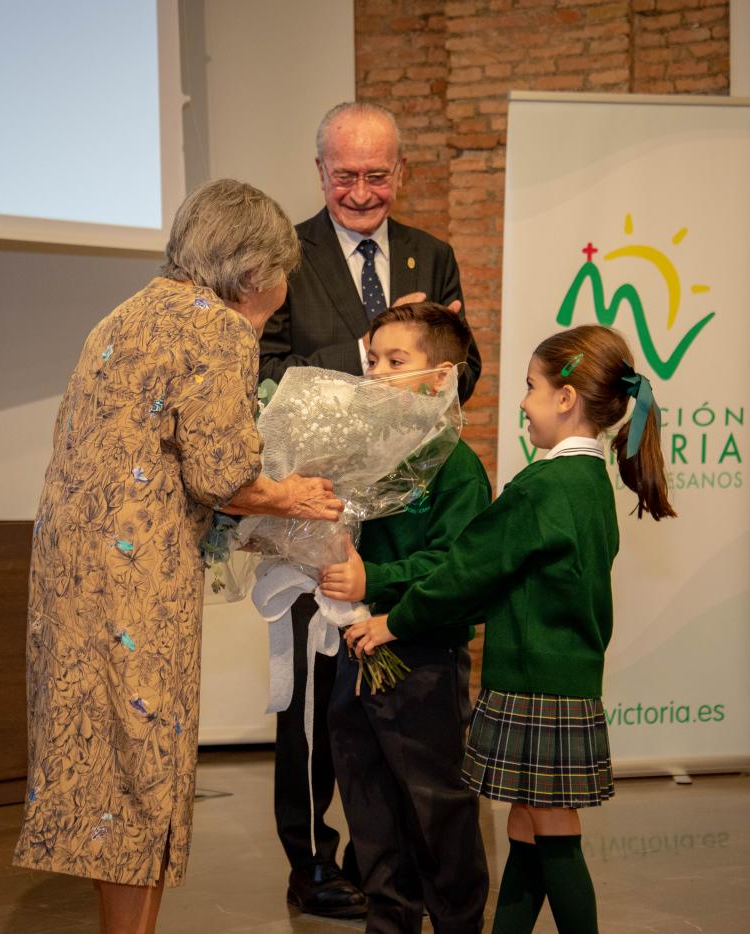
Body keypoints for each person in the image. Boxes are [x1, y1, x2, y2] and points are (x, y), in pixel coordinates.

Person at [12, 179, 345, 934]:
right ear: (254, 272)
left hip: (72, 575)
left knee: (104, 770)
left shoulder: (124, 314)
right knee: (144, 768)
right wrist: (297, 496)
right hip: (138, 582)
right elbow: (223, 476)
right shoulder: (215, 328)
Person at [345, 325, 677, 934]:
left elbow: (468, 572)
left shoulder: (544, 486)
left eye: (530, 387)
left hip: (536, 682)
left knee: (554, 835)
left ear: (566, 398)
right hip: (563, 679)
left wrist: (395, 621)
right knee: (527, 827)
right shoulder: (587, 482)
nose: (522, 401)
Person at [258, 100, 483, 920]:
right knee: (316, 708)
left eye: (377, 174)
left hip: (405, 521)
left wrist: (434, 350)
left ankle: (382, 863)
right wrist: (367, 352)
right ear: (319, 171)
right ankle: (313, 864)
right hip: (314, 515)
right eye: (345, 175)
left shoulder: (435, 252)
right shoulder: (285, 255)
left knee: (387, 725)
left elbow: (465, 369)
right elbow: (269, 371)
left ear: (401, 172)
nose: (361, 191)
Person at [317, 303, 490, 933]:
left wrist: (377, 580)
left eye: (397, 362)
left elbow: (457, 567)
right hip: (355, 657)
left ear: (440, 378)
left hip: (421, 663)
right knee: (372, 818)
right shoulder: (366, 461)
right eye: (371, 362)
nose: (377, 374)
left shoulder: (455, 468)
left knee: (435, 815)